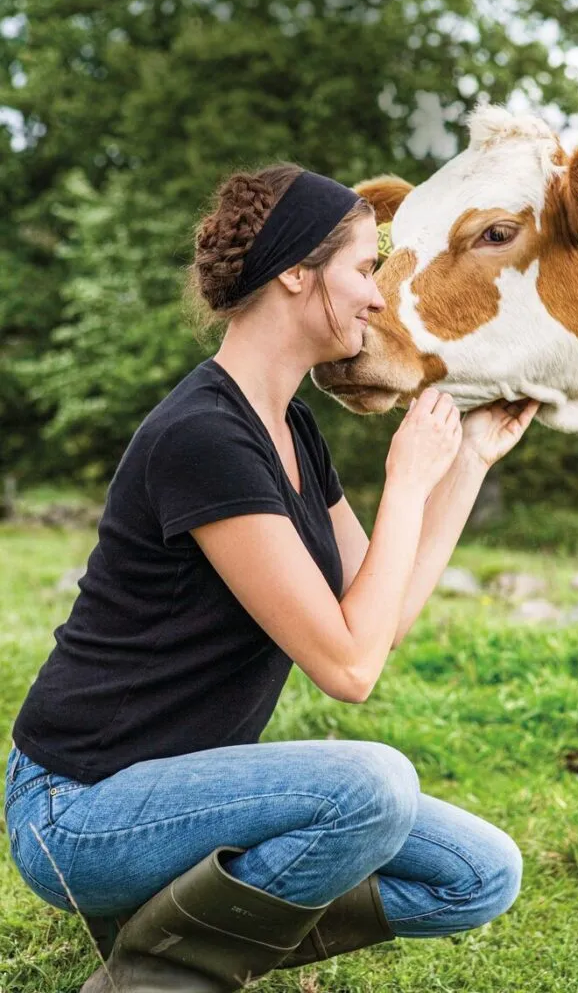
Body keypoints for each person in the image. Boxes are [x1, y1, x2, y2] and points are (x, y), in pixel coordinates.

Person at [3, 163, 539, 993]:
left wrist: (465, 460)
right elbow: (350, 671)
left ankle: (177, 924)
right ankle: (156, 972)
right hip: (78, 809)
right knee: (373, 783)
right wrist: (404, 482)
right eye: (366, 269)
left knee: (480, 874)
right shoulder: (202, 438)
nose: (376, 297)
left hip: (180, 793)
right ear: (296, 273)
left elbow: (380, 617)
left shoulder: (288, 423)